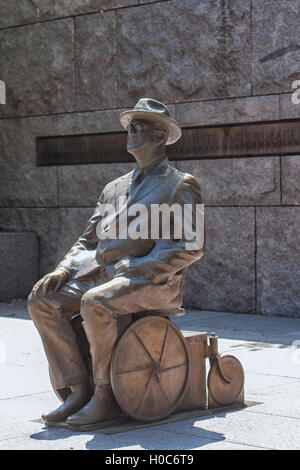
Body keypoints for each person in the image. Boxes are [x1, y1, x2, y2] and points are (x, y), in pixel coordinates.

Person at [27, 98, 205, 426]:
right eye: (129, 127)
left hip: (152, 280)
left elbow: (190, 246)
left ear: (160, 137)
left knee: (95, 302)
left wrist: (143, 265)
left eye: (140, 127)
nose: (131, 132)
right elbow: (89, 239)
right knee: (41, 301)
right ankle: (77, 389)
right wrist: (65, 268)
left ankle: (105, 396)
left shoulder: (180, 184)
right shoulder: (114, 188)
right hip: (103, 272)